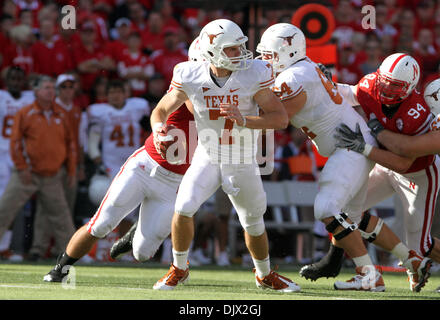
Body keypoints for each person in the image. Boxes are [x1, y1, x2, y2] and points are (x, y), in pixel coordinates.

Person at [257, 23, 430, 292]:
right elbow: (346, 93)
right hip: (355, 143)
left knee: (326, 209)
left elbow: (278, 119)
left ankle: (368, 274)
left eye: (270, 54)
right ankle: (410, 259)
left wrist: (240, 116)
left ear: (287, 52)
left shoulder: (292, 78)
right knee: (354, 217)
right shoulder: (305, 68)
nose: (265, 59)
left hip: (356, 148)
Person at [151, 19, 300, 293]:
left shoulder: (254, 72)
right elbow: (160, 111)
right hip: (207, 155)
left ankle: (264, 274)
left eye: (241, 46)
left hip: (242, 158)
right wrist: (159, 131)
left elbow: (280, 119)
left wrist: (245, 119)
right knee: (183, 207)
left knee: (252, 221)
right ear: (211, 51)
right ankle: (179, 268)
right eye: (232, 49)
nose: (241, 53)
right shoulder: (189, 73)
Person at [43, 42, 195, 282]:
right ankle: (60, 269)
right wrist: (158, 130)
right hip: (145, 168)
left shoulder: (226, 101)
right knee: (101, 224)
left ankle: (134, 234)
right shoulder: (187, 89)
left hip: (173, 183)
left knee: (143, 254)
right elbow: (161, 111)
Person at [303, 53, 436, 292]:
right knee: (345, 210)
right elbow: (351, 94)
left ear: (408, 88)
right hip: (385, 165)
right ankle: (344, 262)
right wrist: (325, 84)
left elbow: (403, 161)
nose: (384, 87)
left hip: (418, 174)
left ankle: (414, 259)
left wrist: (364, 146)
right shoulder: (371, 83)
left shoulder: (416, 113)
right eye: (383, 80)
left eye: (393, 85)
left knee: (422, 245)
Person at [0, 75, 77, 259]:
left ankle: (72, 254)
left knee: (62, 218)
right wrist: (22, 167)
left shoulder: (62, 114)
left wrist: (71, 170)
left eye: (52, 88)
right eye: (46, 88)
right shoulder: (25, 112)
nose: (51, 91)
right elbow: (15, 142)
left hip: (52, 175)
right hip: (27, 174)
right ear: (36, 91)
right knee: (4, 209)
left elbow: (70, 144)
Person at [29, 74, 84, 260]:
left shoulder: (76, 110)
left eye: (71, 86)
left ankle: (60, 249)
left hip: (71, 163)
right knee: (47, 208)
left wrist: (79, 165)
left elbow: (79, 141)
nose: (68, 90)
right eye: (64, 86)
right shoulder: (52, 108)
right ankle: (39, 247)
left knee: (66, 208)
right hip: (53, 164)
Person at [0, 66, 34, 257]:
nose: (15, 81)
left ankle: (4, 246)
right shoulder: (2, 96)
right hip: (1, 154)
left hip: (18, 155)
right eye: (11, 78)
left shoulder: (31, 98)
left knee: (9, 202)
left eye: (19, 78)